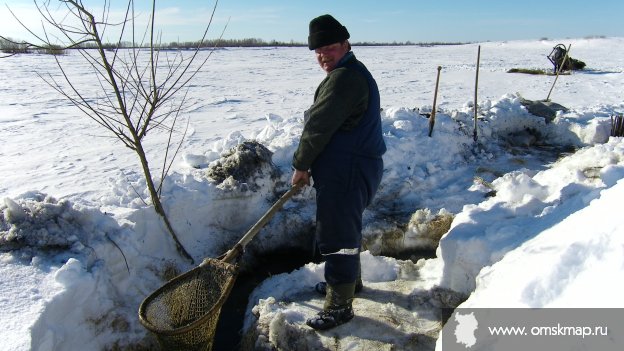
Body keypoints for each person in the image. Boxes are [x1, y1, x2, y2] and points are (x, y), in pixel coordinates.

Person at [291, 14, 386, 330]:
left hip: (348, 170)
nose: (323, 55)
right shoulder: (350, 73)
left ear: (346, 44)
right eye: (317, 51)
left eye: (329, 47)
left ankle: (339, 305)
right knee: (345, 229)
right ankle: (349, 283)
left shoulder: (346, 78)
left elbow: (318, 126)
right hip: (352, 166)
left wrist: (301, 164)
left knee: (337, 236)